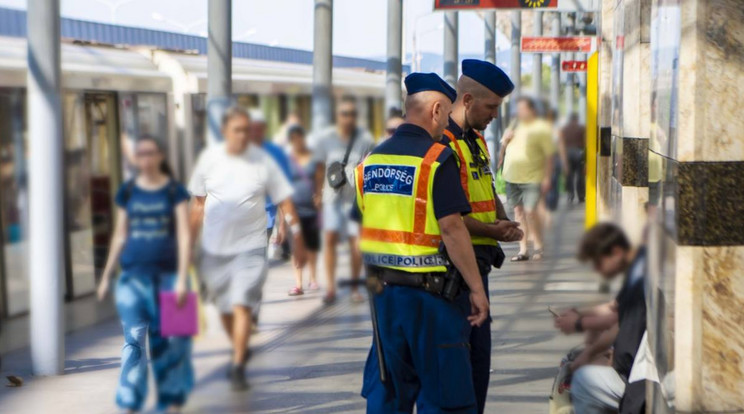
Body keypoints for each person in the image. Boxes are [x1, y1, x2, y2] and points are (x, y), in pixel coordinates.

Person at [356, 72, 490, 414]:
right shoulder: (437, 159)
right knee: (445, 398)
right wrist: (477, 289)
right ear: (434, 110)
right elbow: (452, 228)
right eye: (446, 114)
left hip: (385, 301)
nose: (445, 122)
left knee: (388, 395)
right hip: (432, 302)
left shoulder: (370, 163)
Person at [188, 107, 307, 390]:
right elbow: (198, 206)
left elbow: (285, 202)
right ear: (225, 132)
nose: (243, 136)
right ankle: (238, 344)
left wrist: (298, 237)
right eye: (237, 130)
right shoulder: (208, 161)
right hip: (216, 248)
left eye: (246, 130)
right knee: (226, 308)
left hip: (251, 247)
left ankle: (238, 363)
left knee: (242, 304)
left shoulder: (263, 162)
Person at [440, 59, 524, 414]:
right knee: (460, 358)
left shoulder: (476, 141)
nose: (494, 115)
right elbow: (452, 216)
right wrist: (494, 230)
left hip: (481, 263)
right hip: (456, 268)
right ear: (469, 100)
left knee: (479, 359)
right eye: (491, 107)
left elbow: (486, 189)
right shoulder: (444, 145)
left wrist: (503, 219)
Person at [96, 137, 193, 413]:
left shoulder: (175, 191)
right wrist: (105, 277)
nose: (146, 159)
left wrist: (185, 278)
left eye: (151, 153)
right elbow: (119, 234)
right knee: (133, 343)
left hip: (170, 278)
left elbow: (185, 237)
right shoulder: (127, 191)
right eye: (141, 154)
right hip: (133, 279)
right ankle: (129, 403)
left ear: (160, 156)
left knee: (171, 343)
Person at [553, 223, 647, 413]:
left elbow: (616, 321)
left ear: (616, 252)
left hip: (639, 379)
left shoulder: (639, 276)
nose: (596, 269)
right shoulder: (637, 270)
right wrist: (580, 314)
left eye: (598, 262)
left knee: (581, 379)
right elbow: (615, 308)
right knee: (573, 360)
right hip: (632, 362)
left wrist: (579, 324)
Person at [312, 96, 375, 304]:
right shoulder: (326, 138)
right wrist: (317, 193)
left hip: (353, 198)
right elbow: (319, 168)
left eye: (352, 114)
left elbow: (370, 165)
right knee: (329, 239)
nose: (348, 118)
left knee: (355, 243)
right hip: (331, 198)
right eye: (344, 114)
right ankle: (330, 288)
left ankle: (355, 287)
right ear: (337, 116)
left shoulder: (364, 139)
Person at [499, 97, 555, 261]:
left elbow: (549, 155)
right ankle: (523, 250)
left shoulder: (541, 128)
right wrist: (506, 141)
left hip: (532, 177)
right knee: (518, 213)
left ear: (533, 110)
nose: (519, 112)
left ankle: (538, 245)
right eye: (518, 109)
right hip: (511, 176)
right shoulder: (513, 126)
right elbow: (502, 152)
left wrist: (547, 178)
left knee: (531, 211)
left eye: (523, 109)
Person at [286, 125, 321, 295]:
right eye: (293, 139)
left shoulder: (313, 158)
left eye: (299, 138)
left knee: (312, 245)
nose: (297, 142)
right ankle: (298, 283)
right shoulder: (287, 160)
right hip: (294, 208)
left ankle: (313, 278)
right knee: (296, 245)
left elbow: (320, 180)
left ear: (303, 138)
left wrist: (319, 196)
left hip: (311, 209)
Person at [559, 112, 586, 204]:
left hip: (568, 153)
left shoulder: (564, 129)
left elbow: (561, 144)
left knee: (569, 176)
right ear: (577, 119)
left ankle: (570, 195)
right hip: (579, 152)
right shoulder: (581, 128)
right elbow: (585, 142)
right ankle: (581, 195)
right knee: (580, 176)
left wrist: (563, 160)